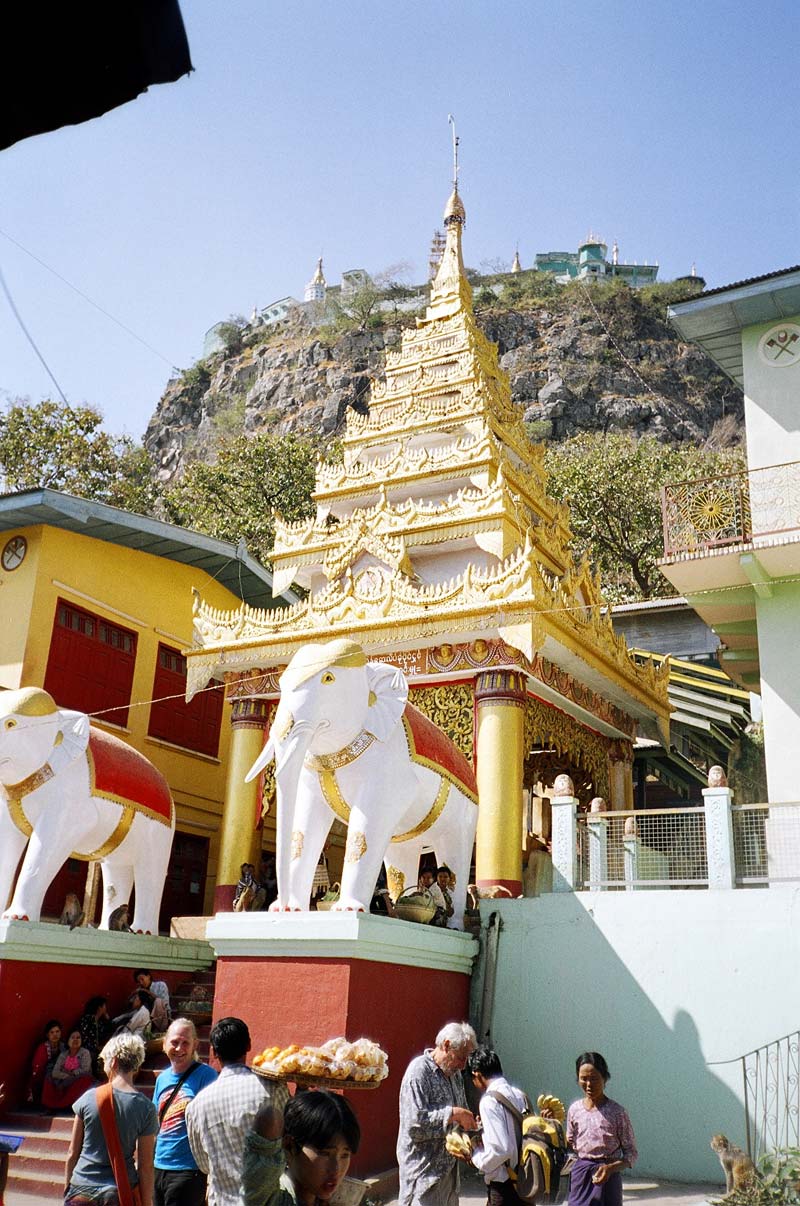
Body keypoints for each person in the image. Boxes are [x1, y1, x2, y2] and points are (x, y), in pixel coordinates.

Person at [185, 1016, 287, 1206]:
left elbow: (204, 1165)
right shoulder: (273, 1089)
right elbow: (287, 1140)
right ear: (249, 1045)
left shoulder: (196, 1106)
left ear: (214, 1052)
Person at [64, 1031, 158, 1206]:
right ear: (136, 1065)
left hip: (81, 1187)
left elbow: (72, 1153)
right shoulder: (146, 1108)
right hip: (119, 1191)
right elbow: (145, 1167)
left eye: (105, 1062)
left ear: (113, 1062)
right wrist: (146, 1202)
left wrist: (67, 1189)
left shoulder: (88, 1098)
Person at [397, 1021, 478, 1206]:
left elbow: (461, 1112)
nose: (463, 1065)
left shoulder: (455, 1075)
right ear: (446, 1045)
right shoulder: (419, 1072)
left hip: (448, 1177)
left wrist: (470, 1124)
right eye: (460, 1057)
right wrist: (452, 1114)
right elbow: (414, 1125)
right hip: (423, 1178)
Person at [241, 1090, 360, 1206]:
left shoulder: (329, 1199)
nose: (336, 1169)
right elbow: (269, 1117)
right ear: (289, 1146)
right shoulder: (273, 1200)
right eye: (325, 1153)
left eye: (345, 1155)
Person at [153, 1018, 217, 1206]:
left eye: (185, 1043)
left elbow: (212, 1125)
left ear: (195, 1045)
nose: (179, 1048)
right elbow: (157, 1122)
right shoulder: (162, 1079)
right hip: (159, 1166)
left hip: (189, 1170)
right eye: (174, 1042)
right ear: (165, 1044)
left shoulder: (207, 1076)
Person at [566, 1052, 637, 1206]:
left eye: (594, 1079)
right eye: (583, 1079)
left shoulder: (617, 1112)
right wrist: (550, 1123)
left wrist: (611, 1168)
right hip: (581, 1178)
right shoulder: (574, 1110)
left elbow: (631, 1154)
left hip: (608, 1181)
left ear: (605, 1078)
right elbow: (570, 1144)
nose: (589, 1084)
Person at [467, 1047, 529, 1206]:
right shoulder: (519, 1094)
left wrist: (476, 1156)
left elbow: (501, 1149)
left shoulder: (489, 1101)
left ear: (477, 1074)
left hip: (504, 1185)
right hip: (525, 1180)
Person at [42, 1029, 95, 1110]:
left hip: (77, 1080)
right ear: (68, 1040)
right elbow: (55, 1072)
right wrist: (66, 1076)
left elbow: (85, 1069)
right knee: (48, 1077)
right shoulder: (63, 1054)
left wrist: (73, 1073)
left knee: (85, 1079)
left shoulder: (85, 1052)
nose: (75, 1040)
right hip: (64, 1081)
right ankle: (52, 1105)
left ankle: (71, 1105)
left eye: (78, 1038)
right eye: (73, 1037)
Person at [29, 1019, 64, 1105]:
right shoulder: (42, 1048)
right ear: (47, 1035)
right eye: (52, 1032)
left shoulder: (64, 1047)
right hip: (44, 1078)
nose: (55, 1034)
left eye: (57, 1031)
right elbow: (37, 1069)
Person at [79, 997, 113, 1078]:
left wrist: (107, 1018)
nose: (106, 1008)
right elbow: (87, 1038)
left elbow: (109, 1030)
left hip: (95, 1050)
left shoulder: (100, 1022)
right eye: (104, 1006)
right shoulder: (87, 1020)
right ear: (99, 1008)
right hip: (87, 1050)